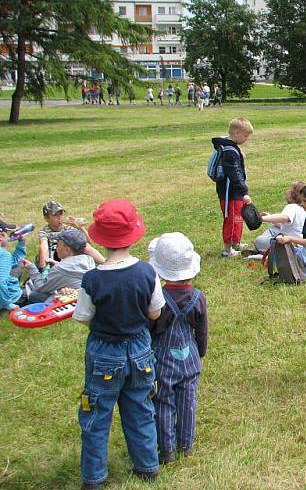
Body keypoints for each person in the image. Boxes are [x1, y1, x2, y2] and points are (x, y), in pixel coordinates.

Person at [72, 200, 164, 488]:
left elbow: (84, 318)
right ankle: (147, 465)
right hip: (139, 348)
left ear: (99, 237)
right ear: (133, 234)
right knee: (140, 407)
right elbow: (155, 312)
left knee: (96, 415)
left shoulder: (92, 279)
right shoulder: (148, 272)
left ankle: (94, 477)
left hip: (103, 351)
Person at [147, 232, 208, 465]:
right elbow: (201, 331)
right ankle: (186, 443)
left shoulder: (157, 299)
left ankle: (167, 450)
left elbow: (150, 328)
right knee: (188, 401)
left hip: (163, 359)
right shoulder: (198, 297)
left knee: (163, 402)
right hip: (190, 356)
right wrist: (201, 353)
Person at [19, 227, 103, 305]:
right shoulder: (88, 259)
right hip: (85, 297)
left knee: (35, 295)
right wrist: (57, 264)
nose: (56, 248)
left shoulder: (60, 269)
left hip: (71, 301)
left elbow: (40, 287)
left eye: (58, 245)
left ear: (67, 250)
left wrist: (31, 267)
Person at [212, 117, 253, 257]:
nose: (247, 139)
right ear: (236, 133)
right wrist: (244, 192)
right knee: (233, 219)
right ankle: (227, 249)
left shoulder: (229, 146)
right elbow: (235, 174)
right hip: (231, 193)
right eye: (245, 135)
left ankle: (235, 242)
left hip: (231, 192)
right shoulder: (230, 152)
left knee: (237, 218)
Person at [253, 182, 306, 255]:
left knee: (259, 240)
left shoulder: (292, 207)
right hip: (302, 245)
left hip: (288, 246)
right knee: (275, 228)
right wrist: (270, 218)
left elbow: (284, 218)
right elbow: (289, 226)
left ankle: (261, 251)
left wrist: (262, 218)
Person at [0, 219, 29, 311]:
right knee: (37, 293)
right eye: (7, 234)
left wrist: (21, 242)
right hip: (9, 300)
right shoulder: (4, 255)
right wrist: (8, 305)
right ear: (1, 236)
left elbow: (15, 261)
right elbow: (0, 282)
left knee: (18, 266)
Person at [38, 200, 66, 269]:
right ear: (47, 218)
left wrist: (81, 229)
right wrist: (43, 267)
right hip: (51, 258)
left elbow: (87, 242)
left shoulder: (68, 228)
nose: (59, 217)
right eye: (55, 215)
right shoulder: (44, 232)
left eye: (61, 214)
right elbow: (43, 246)